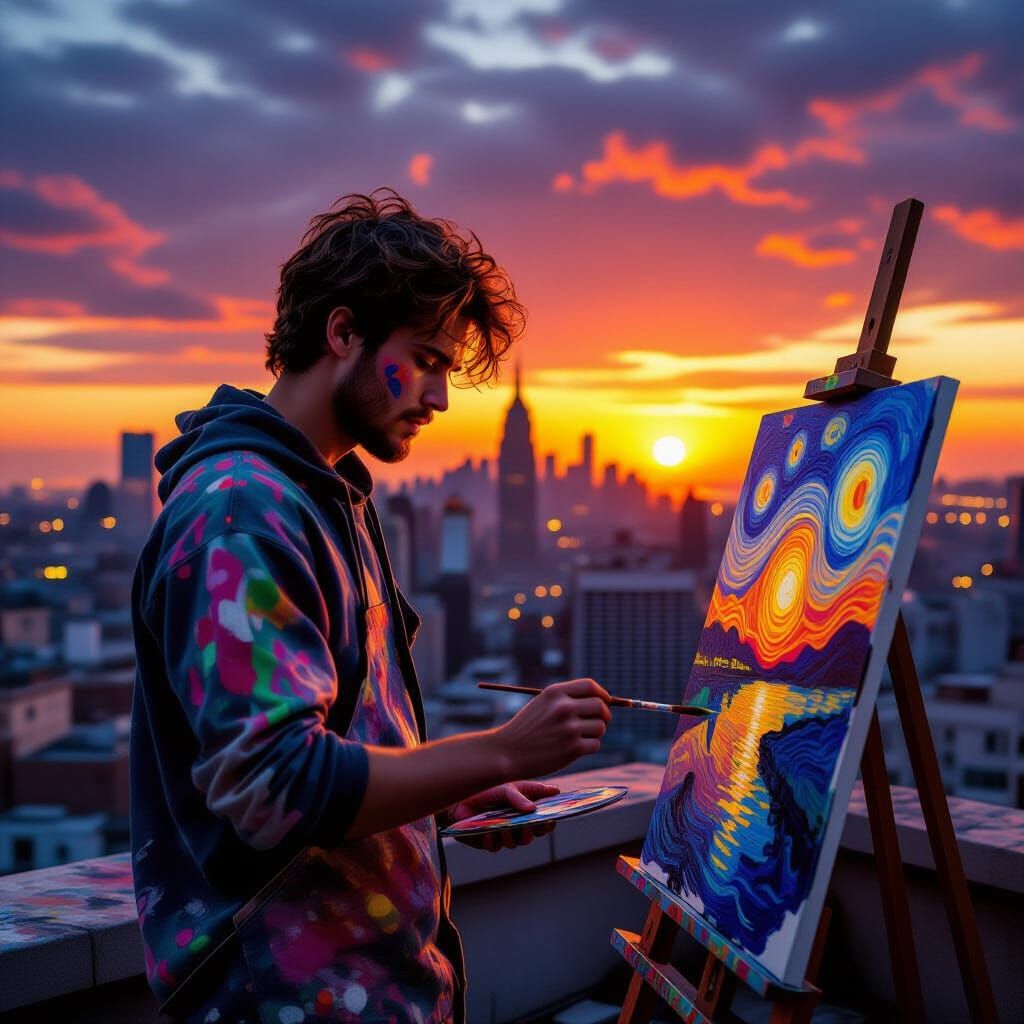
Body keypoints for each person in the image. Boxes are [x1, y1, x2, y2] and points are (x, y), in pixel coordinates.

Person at [128, 188, 613, 1023]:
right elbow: (277, 784)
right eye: (425, 357)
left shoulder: (325, 498)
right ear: (343, 332)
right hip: (282, 997)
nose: (440, 396)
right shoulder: (240, 510)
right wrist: (500, 752)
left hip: (365, 988)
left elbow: (341, 740)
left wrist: (442, 797)